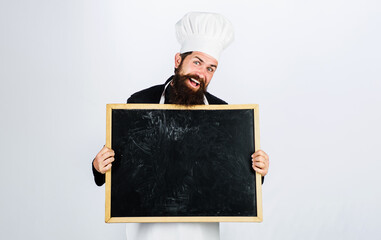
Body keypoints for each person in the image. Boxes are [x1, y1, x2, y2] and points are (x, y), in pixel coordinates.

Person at [92, 12, 269, 240]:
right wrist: (98, 167)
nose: (202, 74)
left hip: (200, 231)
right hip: (147, 231)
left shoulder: (222, 111)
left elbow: (236, 173)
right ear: (178, 61)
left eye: (210, 68)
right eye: (197, 62)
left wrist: (259, 169)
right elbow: (119, 166)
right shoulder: (139, 102)